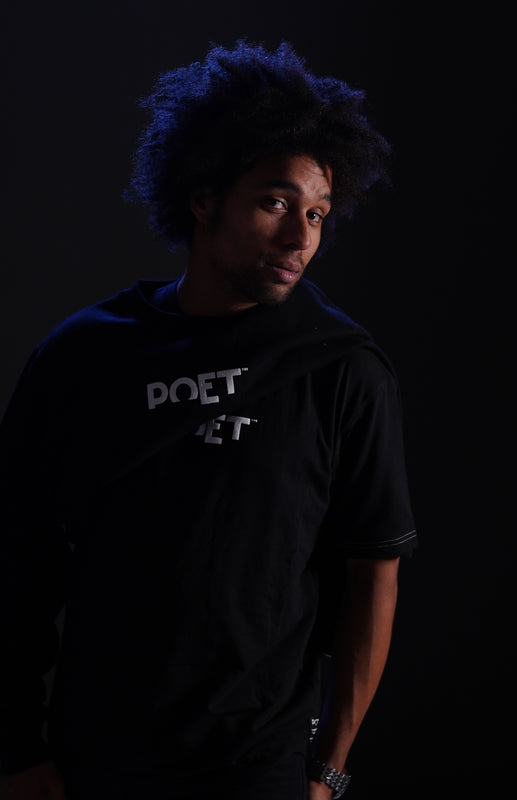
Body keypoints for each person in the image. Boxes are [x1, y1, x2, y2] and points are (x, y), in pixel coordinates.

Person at [0, 40, 417, 799]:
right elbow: (15, 562)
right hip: (94, 759)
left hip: (258, 768)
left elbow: (373, 573)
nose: (301, 237)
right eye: (276, 203)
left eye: (317, 214)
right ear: (203, 197)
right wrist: (15, 752)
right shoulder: (83, 356)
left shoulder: (340, 368)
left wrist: (329, 769)